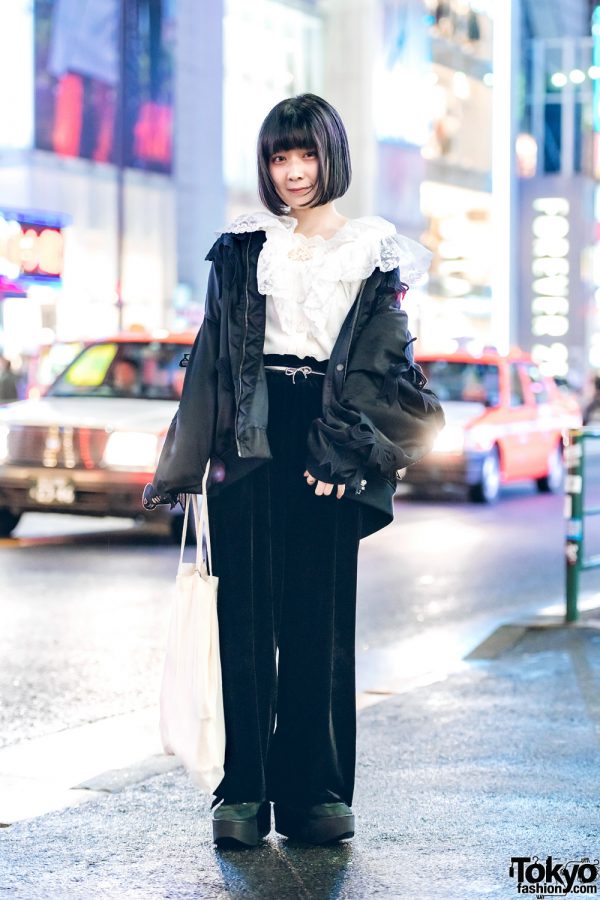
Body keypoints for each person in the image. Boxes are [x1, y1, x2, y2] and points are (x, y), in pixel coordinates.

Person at [143, 93, 444, 848]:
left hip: (327, 432)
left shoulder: (374, 248)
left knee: (319, 623)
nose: (294, 172)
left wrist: (344, 453)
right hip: (249, 436)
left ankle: (315, 793)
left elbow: (381, 361)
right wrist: (186, 464)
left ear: (330, 157)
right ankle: (240, 794)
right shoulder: (243, 244)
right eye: (280, 157)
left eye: (305, 154)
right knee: (241, 625)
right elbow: (212, 360)